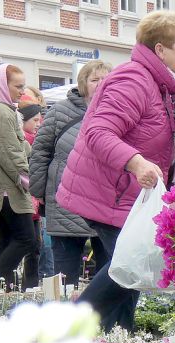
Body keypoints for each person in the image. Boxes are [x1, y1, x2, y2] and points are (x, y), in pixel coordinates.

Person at [57, 10, 175, 331]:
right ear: (160, 49)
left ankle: (116, 342)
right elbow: (98, 132)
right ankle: (68, 333)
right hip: (109, 193)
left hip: (127, 196)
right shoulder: (134, 79)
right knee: (127, 268)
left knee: (127, 273)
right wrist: (136, 162)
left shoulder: (160, 84)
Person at [30, 59, 112, 287]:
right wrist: (39, 191)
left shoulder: (119, 110)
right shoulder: (59, 112)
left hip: (104, 204)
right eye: (95, 79)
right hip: (66, 201)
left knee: (110, 273)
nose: (101, 83)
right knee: (64, 276)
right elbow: (40, 152)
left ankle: (104, 321)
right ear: (84, 83)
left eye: (105, 79)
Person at [0, 63, 35, 291]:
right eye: (18, 86)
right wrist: (26, 179)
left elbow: (12, 148)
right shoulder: (2, 111)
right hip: (9, 189)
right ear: (4, 85)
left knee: (7, 239)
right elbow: (9, 152)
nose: (22, 91)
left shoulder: (2, 109)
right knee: (26, 239)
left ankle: (0, 290)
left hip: (2, 188)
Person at [18, 97, 44, 289]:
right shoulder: (24, 142)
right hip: (25, 200)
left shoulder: (37, 141)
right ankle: (27, 286)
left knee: (35, 247)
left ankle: (31, 286)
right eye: (34, 120)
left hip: (33, 203)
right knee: (29, 245)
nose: (38, 124)